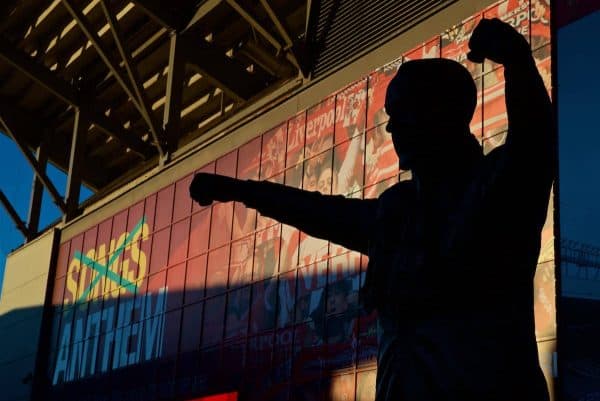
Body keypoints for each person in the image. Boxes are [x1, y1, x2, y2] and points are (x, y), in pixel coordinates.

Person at [189, 18, 553, 401]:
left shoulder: (494, 188)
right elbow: (319, 211)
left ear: (439, 114)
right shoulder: (398, 211)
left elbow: (533, 140)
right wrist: (241, 190)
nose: (391, 128)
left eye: (401, 112)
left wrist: (516, 59)